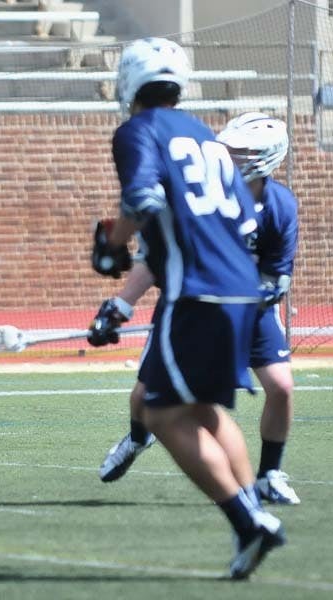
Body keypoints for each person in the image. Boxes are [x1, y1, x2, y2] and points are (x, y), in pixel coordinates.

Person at [90, 38, 285, 579]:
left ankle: (249, 523)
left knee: (158, 412)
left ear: (129, 82)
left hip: (196, 290)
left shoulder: (138, 130)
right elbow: (243, 222)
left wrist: (113, 245)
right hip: (242, 289)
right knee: (202, 412)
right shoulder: (206, 135)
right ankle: (253, 516)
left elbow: (142, 200)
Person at [94, 113, 300, 506]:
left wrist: (245, 294)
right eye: (229, 148)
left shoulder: (279, 207)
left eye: (242, 151)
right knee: (142, 399)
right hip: (191, 304)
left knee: (282, 387)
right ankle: (138, 439)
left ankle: (268, 475)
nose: (229, 156)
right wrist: (122, 303)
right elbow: (155, 257)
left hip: (249, 311)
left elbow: (276, 276)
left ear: (266, 158)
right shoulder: (201, 196)